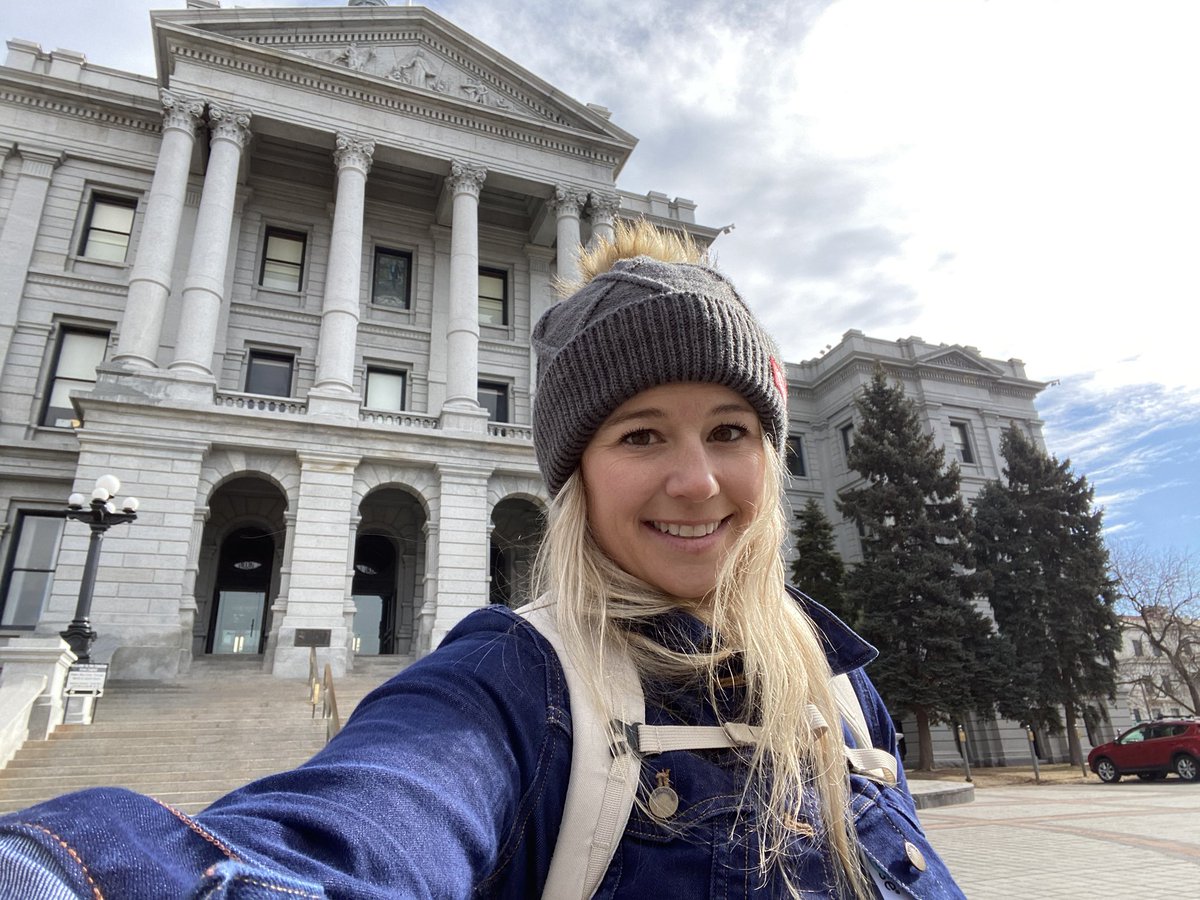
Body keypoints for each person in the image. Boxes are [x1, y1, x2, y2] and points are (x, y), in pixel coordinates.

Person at [0, 221, 963, 898]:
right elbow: (362, 823)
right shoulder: (513, 690)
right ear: (576, 473)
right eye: (639, 435)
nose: (697, 481)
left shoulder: (838, 688)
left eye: (730, 430)